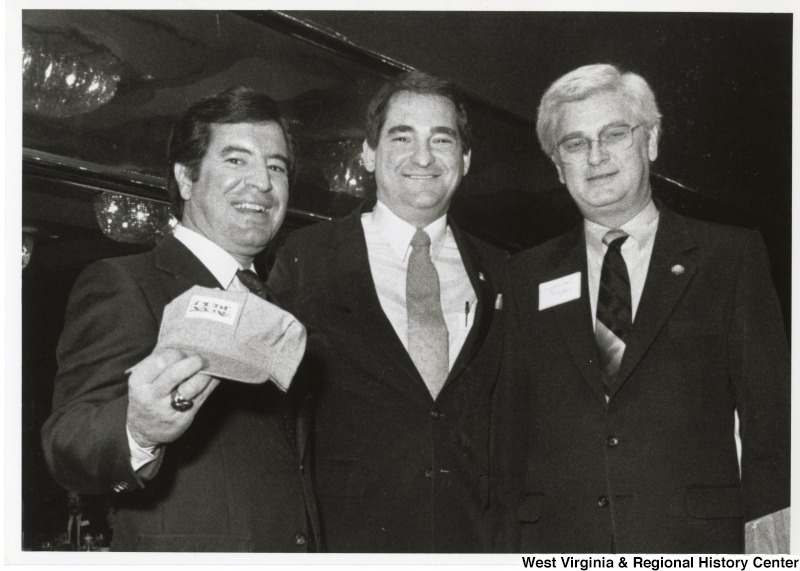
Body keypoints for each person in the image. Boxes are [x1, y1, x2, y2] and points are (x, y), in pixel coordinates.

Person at [495, 63, 790, 553]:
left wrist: (774, 553)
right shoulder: (523, 277)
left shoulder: (728, 257)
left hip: (695, 547)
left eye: (614, 134)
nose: (596, 156)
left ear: (650, 141)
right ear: (558, 165)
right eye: (574, 143)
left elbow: (774, 430)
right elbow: (506, 445)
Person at [41, 86, 319, 552]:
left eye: (276, 166)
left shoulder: (285, 306)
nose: (263, 183)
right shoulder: (126, 283)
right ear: (186, 180)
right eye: (235, 160)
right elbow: (65, 443)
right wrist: (139, 429)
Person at [268, 71, 508, 552]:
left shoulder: (502, 271)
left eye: (441, 139)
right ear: (369, 154)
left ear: (464, 159)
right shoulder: (308, 256)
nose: (423, 157)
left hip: (475, 540)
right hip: (349, 540)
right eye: (403, 137)